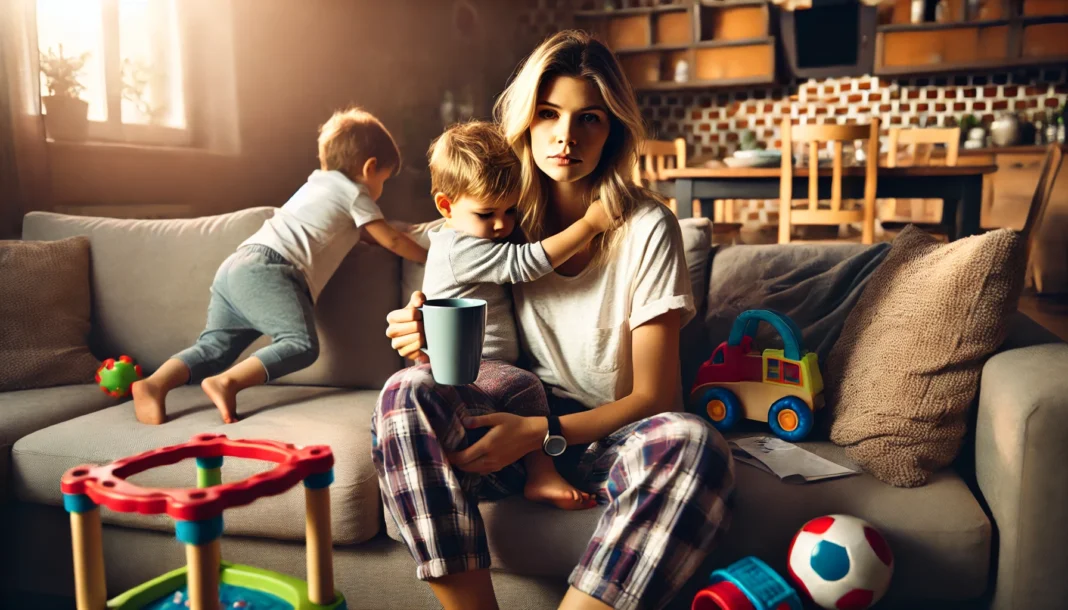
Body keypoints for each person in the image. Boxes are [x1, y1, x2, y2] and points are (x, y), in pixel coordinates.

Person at [373, 31, 735, 610]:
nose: (566, 137)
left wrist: (542, 433)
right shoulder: (497, 219)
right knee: (404, 394)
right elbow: (448, 283)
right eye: (548, 114)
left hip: (607, 439)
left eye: (589, 118)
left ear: (613, 129)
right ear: (525, 122)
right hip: (499, 431)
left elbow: (658, 397)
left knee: (693, 443)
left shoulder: (647, 229)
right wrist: (420, 324)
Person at [132, 106, 427, 425]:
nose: (380, 191)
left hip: (236, 266)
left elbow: (360, 233)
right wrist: (429, 255)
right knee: (300, 345)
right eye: (383, 180)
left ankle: (154, 384)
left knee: (213, 347)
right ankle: (227, 382)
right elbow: (392, 241)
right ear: (370, 168)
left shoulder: (316, 186)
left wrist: (392, 229)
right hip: (271, 271)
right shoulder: (354, 192)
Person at [423, 119, 617, 510]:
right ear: (446, 206)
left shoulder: (464, 233)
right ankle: (540, 474)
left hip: (484, 368)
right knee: (526, 386)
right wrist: (590, 225)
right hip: (473, 367)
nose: (502, 225)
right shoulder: (459, 248)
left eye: (510, 211)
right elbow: (525, 263)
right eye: (486, 213)